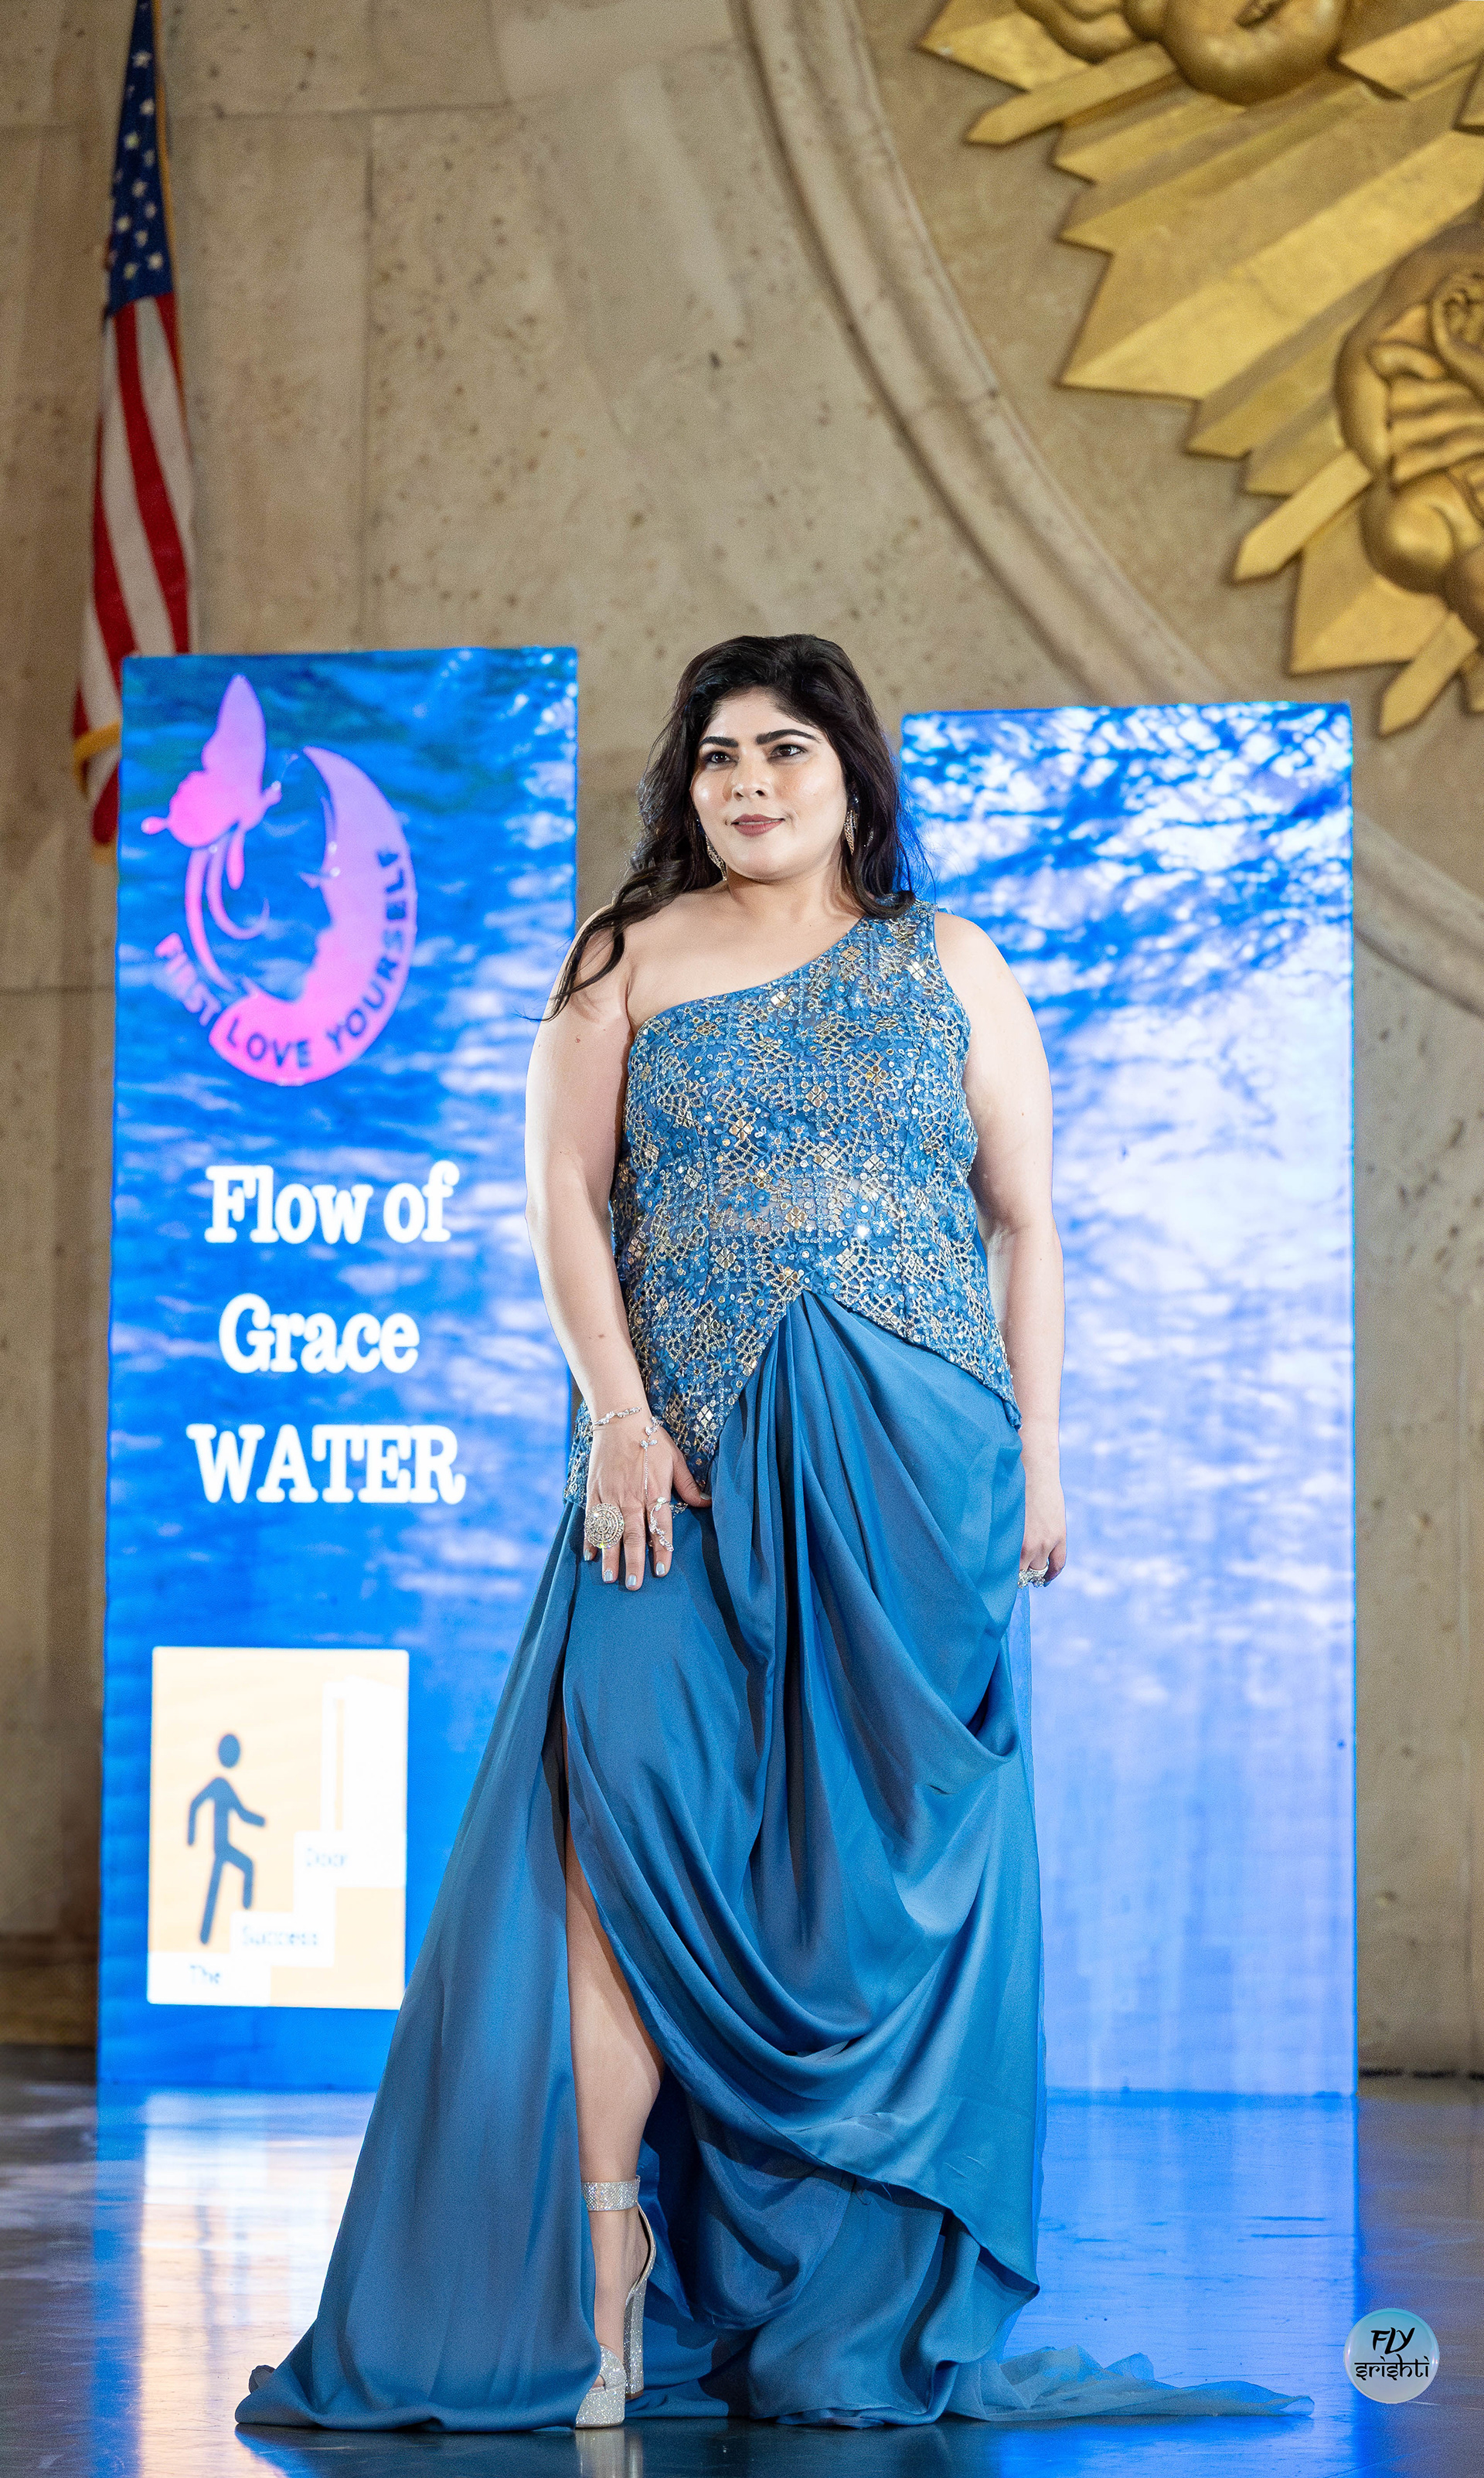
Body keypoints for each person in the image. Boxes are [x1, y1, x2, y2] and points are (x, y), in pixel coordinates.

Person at [237, 635, 1302, 2432]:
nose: (748, 781)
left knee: (861, 1891)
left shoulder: (951, 961)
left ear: (852, 777)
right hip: (669, 1484)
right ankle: (596, 2285)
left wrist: (1043, 1456)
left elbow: (1028, 1220)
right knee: (617, 1851)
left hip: (912, 1487)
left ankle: (848, 2291)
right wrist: (620, 1416)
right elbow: (562, 1197)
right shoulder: (624, 960)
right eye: (720, 753)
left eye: (786, 749)